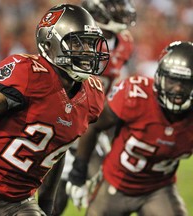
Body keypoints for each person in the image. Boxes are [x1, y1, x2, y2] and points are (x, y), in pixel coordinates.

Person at [0, 3, 111, 216]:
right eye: (77, 44)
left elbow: (57, 150)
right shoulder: (28, 75)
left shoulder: (93, 95)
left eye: (90, 45)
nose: (87, 52)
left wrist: (47, 204)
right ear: (51, 43)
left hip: (19, 201)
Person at [66, 41, 193, 216]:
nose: (177, 89)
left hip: (157, 190)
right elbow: (94, 126)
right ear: (160, 77)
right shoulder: (135, 94)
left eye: (185, 83)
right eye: (172, 80)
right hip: (115, 184)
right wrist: (78, 173)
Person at [52, 0, 136, 214]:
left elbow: (114, 83)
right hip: (68, 115)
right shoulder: (78, 39)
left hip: (95, 117)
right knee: (56, 193)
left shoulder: (125, 42)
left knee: (106, 183)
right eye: (116, 7)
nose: (122, 12)